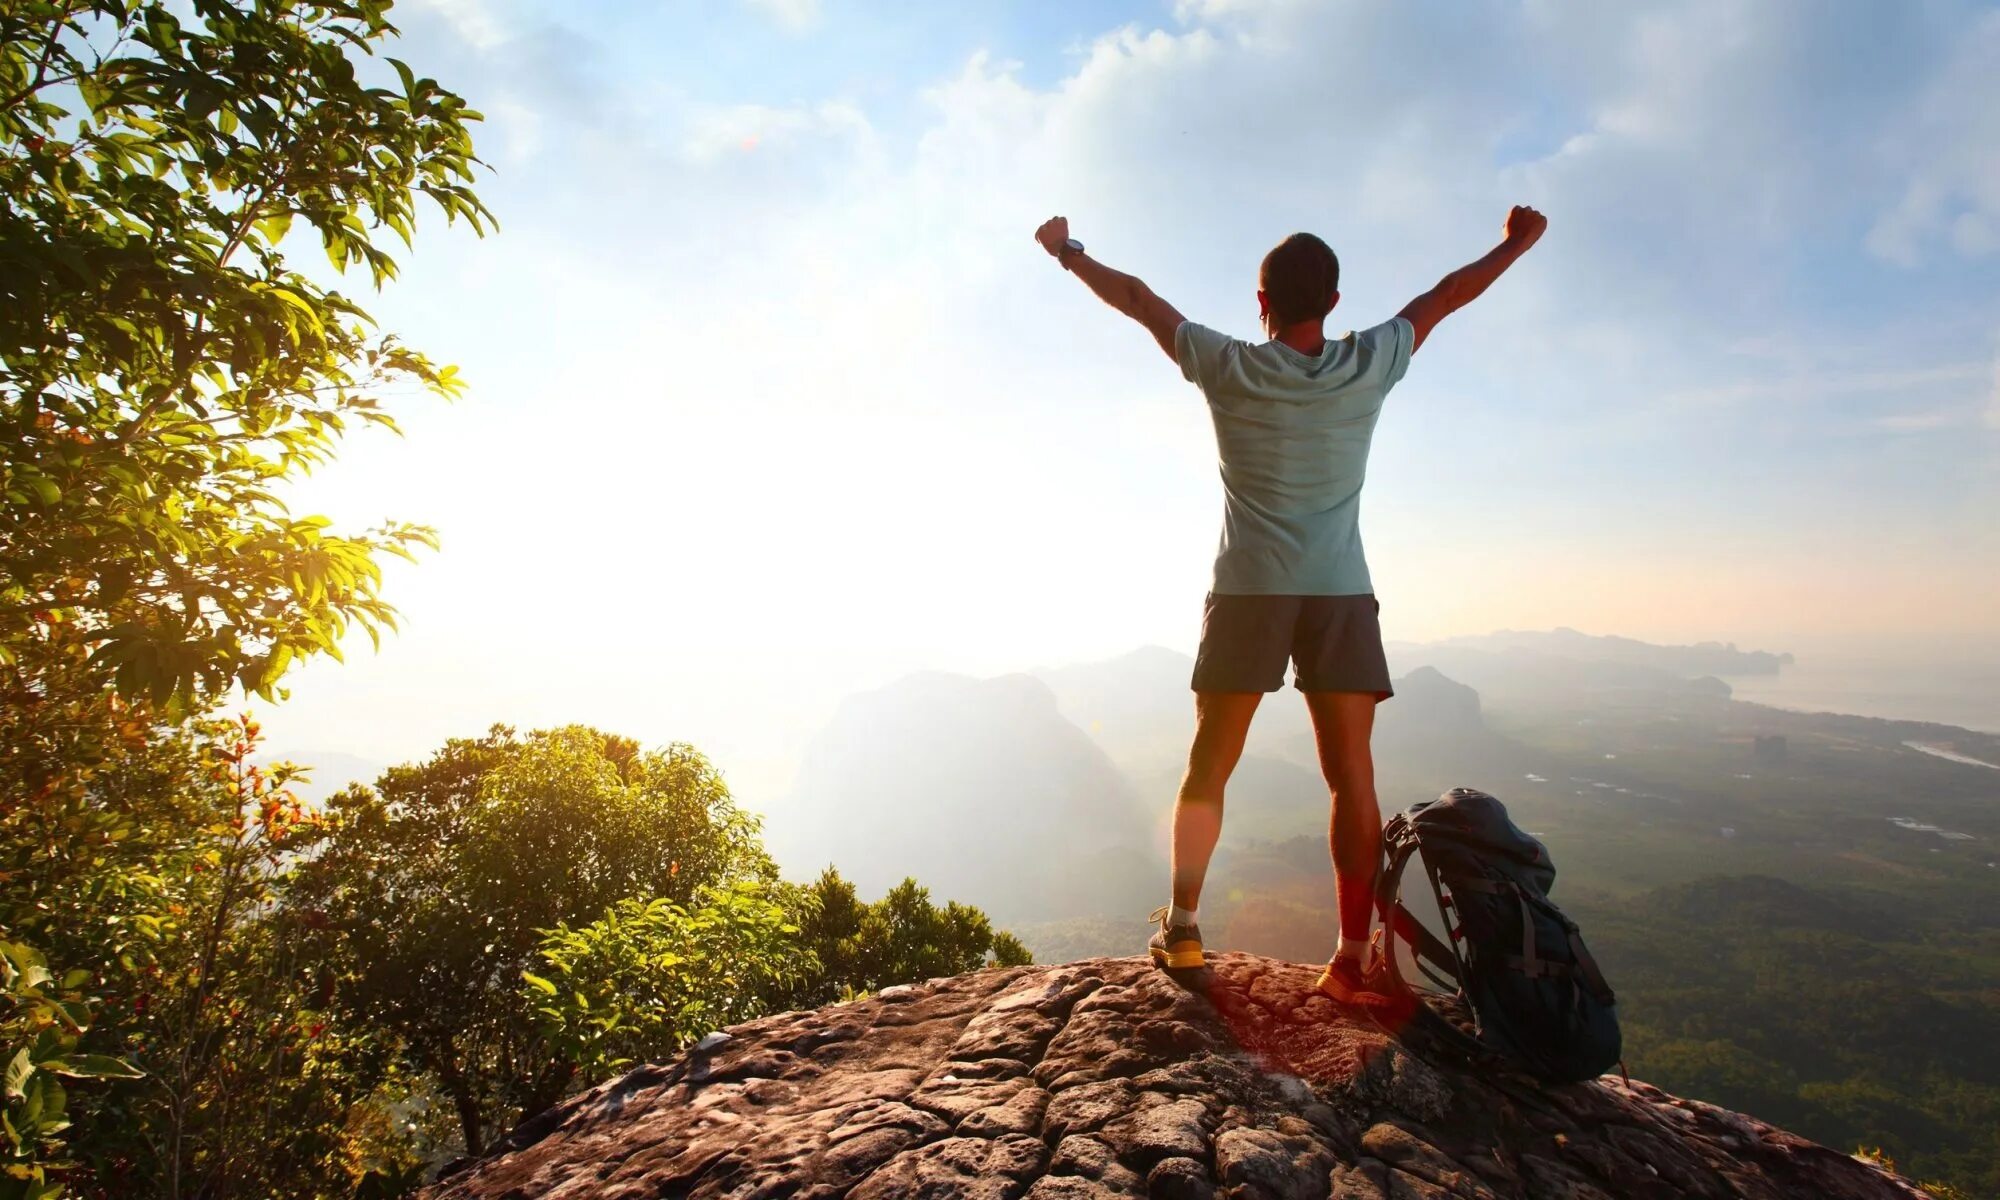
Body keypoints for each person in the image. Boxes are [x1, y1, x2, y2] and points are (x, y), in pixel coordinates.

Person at [1032, 205, 1548, 1002]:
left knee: (1211, 765)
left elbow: (1137, 298)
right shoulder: (1369, 362)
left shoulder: (1227, 364)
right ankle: (1350, 958)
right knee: (1351, 778)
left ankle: (1183, 928)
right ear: (1334, 302)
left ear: (1260, 299)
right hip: (1340, 589)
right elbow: (1447, 295)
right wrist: (1515, 244)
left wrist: (1067, 250)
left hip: (1247, 590)